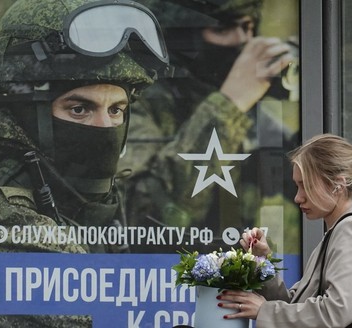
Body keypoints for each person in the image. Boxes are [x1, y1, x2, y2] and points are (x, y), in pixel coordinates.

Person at [0, 0, 168, 325]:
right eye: (79, 109)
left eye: (116, 109)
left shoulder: (79, 195)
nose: (105, 128)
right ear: (25, 114)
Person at [118, 0, 300, 252]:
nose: (242, 40)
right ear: (184, 35)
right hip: (162, 275)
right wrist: (229, 104)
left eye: (247, 26)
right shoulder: (138, 102)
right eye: (223, 28)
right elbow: (146, 218)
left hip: (233, 279)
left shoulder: (250, 111)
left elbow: (321, 190)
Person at [215, 134, 352, 326]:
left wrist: (265, 310)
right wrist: (262, 261)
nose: (298, 197)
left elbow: (337, 311)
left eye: (305, 185)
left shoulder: (351, 231)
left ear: (337, 184)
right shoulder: (338, 232)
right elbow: (295, 304)